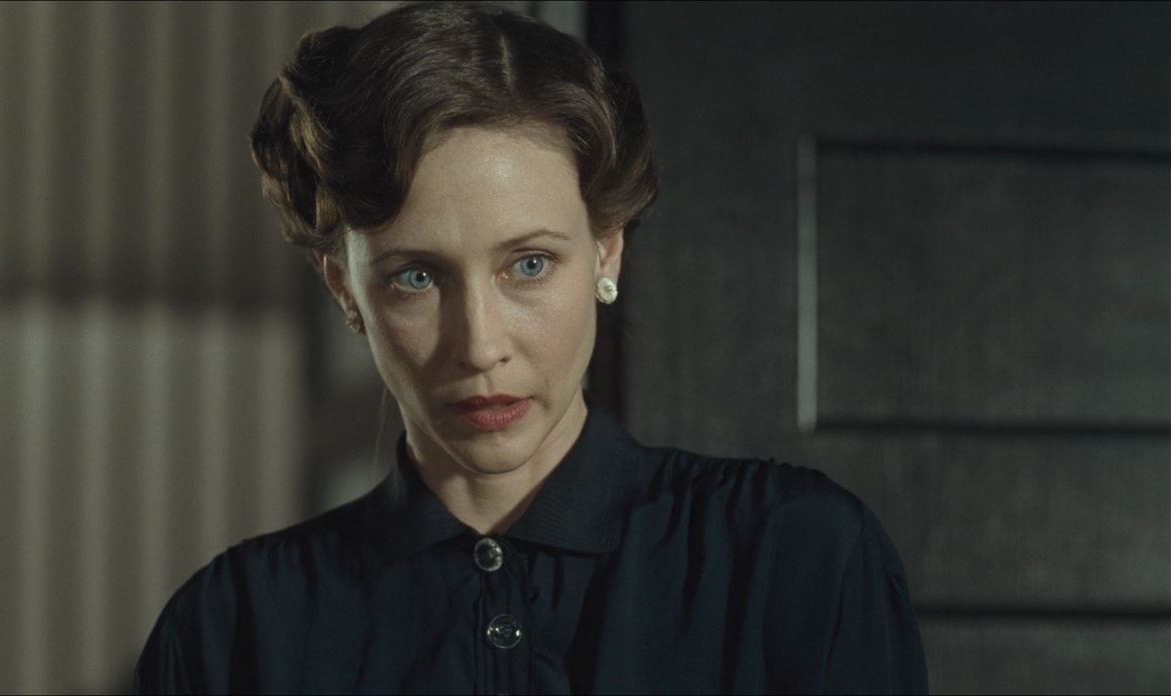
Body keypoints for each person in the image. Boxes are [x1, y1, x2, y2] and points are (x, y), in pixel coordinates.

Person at [132, 2, 929, 693]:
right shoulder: (232, 631)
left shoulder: (794, 557)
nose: (481, 345)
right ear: (344, 287)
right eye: (416, 277)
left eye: (530, 265)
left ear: (607, 251)